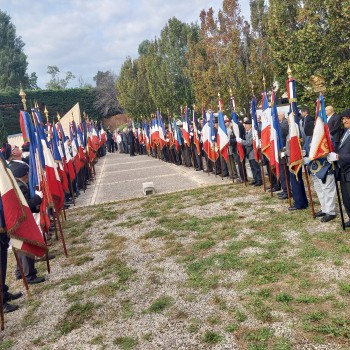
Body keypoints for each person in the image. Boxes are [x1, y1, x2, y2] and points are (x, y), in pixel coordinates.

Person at [8, 162, 46, 284]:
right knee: (27, 246)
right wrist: (38, 198)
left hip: (15, 221)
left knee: (20, 246)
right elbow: (26, 206)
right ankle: (29, 275)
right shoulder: (21, 186)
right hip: (21, 221)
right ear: (25, 175)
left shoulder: (15, 184)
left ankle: (20, 271)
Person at [328, 109, 350, 227]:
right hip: (343, 171)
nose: (344, 120)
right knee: (346, 199)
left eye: (347, 118)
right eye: (343, 118)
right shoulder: (345, 132)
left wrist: (339, 156)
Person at [237, 119, 262, 186]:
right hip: (249, 153)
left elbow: (249, 143)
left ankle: (259, 180)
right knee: (252, 167)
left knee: (256, 167)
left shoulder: (253, 133)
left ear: (250, 125)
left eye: (246, 125)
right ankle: (255, 179)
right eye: (245, 125)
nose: (245, 126)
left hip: (253, 152)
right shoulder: (247, 132)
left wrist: (241, 141)